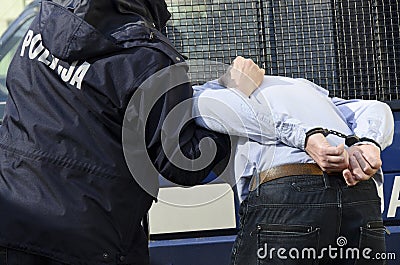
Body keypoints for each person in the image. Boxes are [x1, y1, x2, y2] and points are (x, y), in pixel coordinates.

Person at [0, 1, 264, 265]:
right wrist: (234, 96)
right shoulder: (148, 59)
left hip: (13, 224)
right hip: (91, 242)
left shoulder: (44, 24)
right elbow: (185, 161)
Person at [193, 64, 394, 264]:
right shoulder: (305, 88)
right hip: (359, 195)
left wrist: (307, 138)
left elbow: (211, 108)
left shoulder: (209, 92)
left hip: (289, 198)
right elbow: (374, 107)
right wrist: (369, 144)